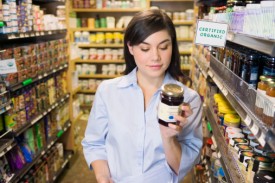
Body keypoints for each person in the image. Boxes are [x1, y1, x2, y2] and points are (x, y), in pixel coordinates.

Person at [82, 9, 202, 183]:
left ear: (172, 46)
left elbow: (181, 169)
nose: (155, 57)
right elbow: (94, 143)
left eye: (163, 47)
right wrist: (103, 177)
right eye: (145, 48)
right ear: (130, 47)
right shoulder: (108, 91)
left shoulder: (189, 100)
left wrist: (168, 138)